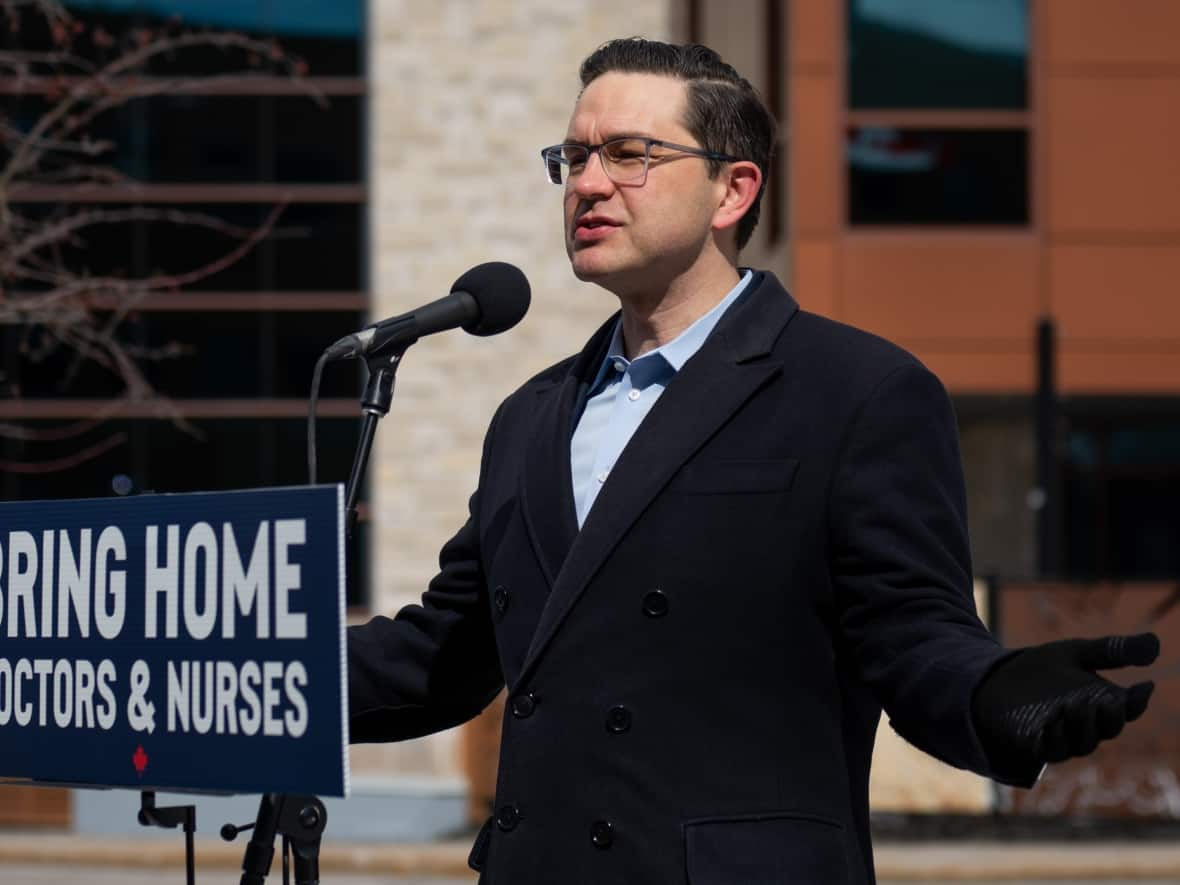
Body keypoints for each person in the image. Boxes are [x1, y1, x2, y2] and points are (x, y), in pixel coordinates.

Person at [347, 38, 1159, 884]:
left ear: (733, 189)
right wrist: (257, 679)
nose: (588, 183)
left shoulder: (855, 392)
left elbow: (914, 633)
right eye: (576, 156)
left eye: (631, 155)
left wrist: (995, 694)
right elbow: (439, 656)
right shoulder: (530, 418)